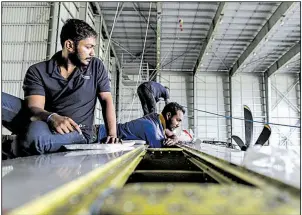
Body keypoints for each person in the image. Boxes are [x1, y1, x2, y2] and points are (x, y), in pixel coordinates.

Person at [2, 19, 118, 156]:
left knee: (35, 138)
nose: (92, 53)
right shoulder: (38, 71)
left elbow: (106, 100)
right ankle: (24, 139)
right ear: (69, 45)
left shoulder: (96, 67)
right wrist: (51, 117)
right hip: (44, 119)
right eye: (88, 47)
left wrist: (112, 134)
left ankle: (11, 146)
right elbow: (34, 109)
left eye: (93, 47)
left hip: (77, 131)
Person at [97, 102, 185, 148]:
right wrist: (176, 140)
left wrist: (175, 137)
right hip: (97, 135)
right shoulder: (151, 127)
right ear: (168, 115)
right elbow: (160, 147)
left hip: (100, 133)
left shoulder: (155, 118)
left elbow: (166, 131)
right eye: (178, 120)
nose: (178, 125)